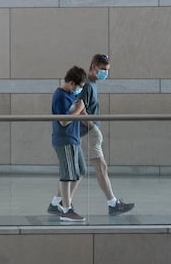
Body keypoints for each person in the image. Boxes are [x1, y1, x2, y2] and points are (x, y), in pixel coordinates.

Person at [47, 54, 135, 216]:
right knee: (84, 170)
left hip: (83, 133)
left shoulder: (90, 85)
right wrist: (92, 127)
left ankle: (57, 202)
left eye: (107, 70)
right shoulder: (84, 86)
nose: (105, 73)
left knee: (79, 171)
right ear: (93, 67)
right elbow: (78, 109)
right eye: (102, 69)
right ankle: (110, 203)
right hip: (84, 133)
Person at [50, 65, 88, 222]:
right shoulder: (60, 96)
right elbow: (63, 120)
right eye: (79, 87)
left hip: (74, 139)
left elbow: (77, 114)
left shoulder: (70, 95)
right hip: (64, 139)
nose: (79, 90)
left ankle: (58, 202)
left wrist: (82, 111)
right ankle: (66, 209)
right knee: (68, 174)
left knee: (81, 171)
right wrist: (79, 109)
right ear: (72, 83)